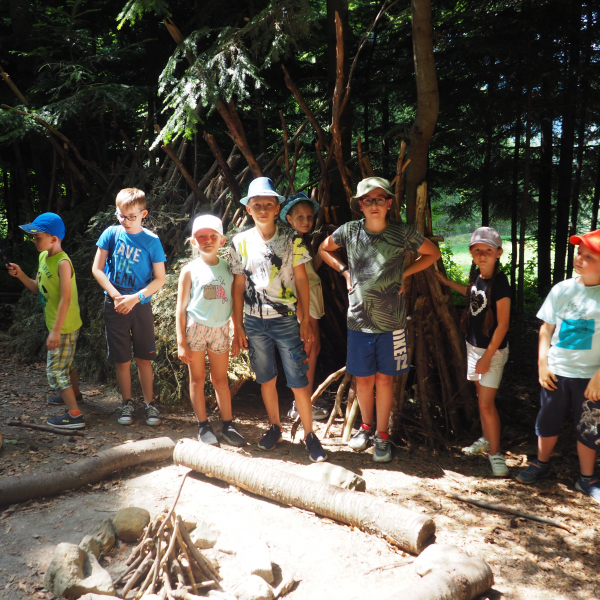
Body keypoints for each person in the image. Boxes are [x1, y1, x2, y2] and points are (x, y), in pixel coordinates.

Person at [319, 177, 440, 463]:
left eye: (379, 199)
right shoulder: (350, 231)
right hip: (359, 321)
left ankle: (382, 436)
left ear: (389, 203)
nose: (374, 205)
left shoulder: (401, 232)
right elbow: (324, 249)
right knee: (363, 381)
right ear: (360, 205)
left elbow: (432, 253)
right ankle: (365, 428)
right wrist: (345, 271)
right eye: (368, 200)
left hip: (392, 323)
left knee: (385, 380)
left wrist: (404, 273)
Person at [229, 177, 328, 462]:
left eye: (268, 204)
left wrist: (305, 320)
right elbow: (238, 285)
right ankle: (275, 427)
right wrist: (237, 325)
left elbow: (302, 279)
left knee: (298, 379)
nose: (262, 209)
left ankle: (309, 435)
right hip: (254, 322)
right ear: (248, 209)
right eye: (257, 205)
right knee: (266, 378)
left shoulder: (291, 240)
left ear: (277, 208)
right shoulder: (239, 242)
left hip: (285, 320)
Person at [516, 230, 600, 503]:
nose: (579, 259)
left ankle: (587, 478)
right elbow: (546, 328)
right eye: (579, 253)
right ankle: (541, 463)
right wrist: (543, 364)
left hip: (591, 378)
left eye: (589, 257)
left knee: (588, 427)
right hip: (556, 373)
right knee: (548, 419)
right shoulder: (562, 289)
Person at [436, 227, 511, 477]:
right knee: (481, 399)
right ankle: (487, 439)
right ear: (471, 253)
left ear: (498, 253)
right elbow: (473, 295)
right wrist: (448, 283)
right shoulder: (478, 277)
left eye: (488, 250)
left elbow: (503, 325)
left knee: (487, 404)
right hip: (474, 347)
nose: (482, 255)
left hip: (492, 352)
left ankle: (496, 454)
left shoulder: (501, 283)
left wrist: (487, 358)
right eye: (477, 250)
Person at [92, 188, 166, 427]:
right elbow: (97, 269)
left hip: (140, 306)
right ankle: (126, 403)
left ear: (143, 214)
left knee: (144, 358)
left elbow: (160, 279)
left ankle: (149, 404)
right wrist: (116, 296)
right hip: (114, 305)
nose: (125, 221)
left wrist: (135, 298)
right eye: (121, 215)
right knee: (122, 359)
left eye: (132, 216)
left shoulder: (152, 241)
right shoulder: (110, 234)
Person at [8, 213, 85, 429]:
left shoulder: (63, 263)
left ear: (53, 238)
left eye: (37, 237)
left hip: (64, 326)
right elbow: (37, 288)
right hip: (58, 324)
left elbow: (66, 299)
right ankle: (75, 395)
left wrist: (56, 331)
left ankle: (74, 416)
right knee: (67, 364)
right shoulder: (44, 257)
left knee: (55, 372)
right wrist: (21, 274)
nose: (33, 240)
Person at [176, 214, 245, 447]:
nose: (207, 240)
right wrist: (181, 341)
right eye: (201, 236)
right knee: (197, 378)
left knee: (220, 379)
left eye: (213, 236)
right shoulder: (189, 270)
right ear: (193, 241)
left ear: (222, 240)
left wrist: (235, 333)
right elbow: (181, 308)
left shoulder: (228, 268)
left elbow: (234, 303)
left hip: (221, 329)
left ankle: (228, 425)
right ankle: (203, 426)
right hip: (195, 329)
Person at [280, 192, 330, 421]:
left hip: (312, 299)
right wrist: (302, 316)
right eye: (300, 216)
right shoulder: (293, 242)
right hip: (304, 301)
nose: (306, 221)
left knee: (313, 348)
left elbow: (308, 272)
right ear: (289, 219)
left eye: (309, 217)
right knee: (307, 350)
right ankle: (300, 404)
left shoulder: (301, 241)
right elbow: (294, 280)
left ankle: (304, 402)